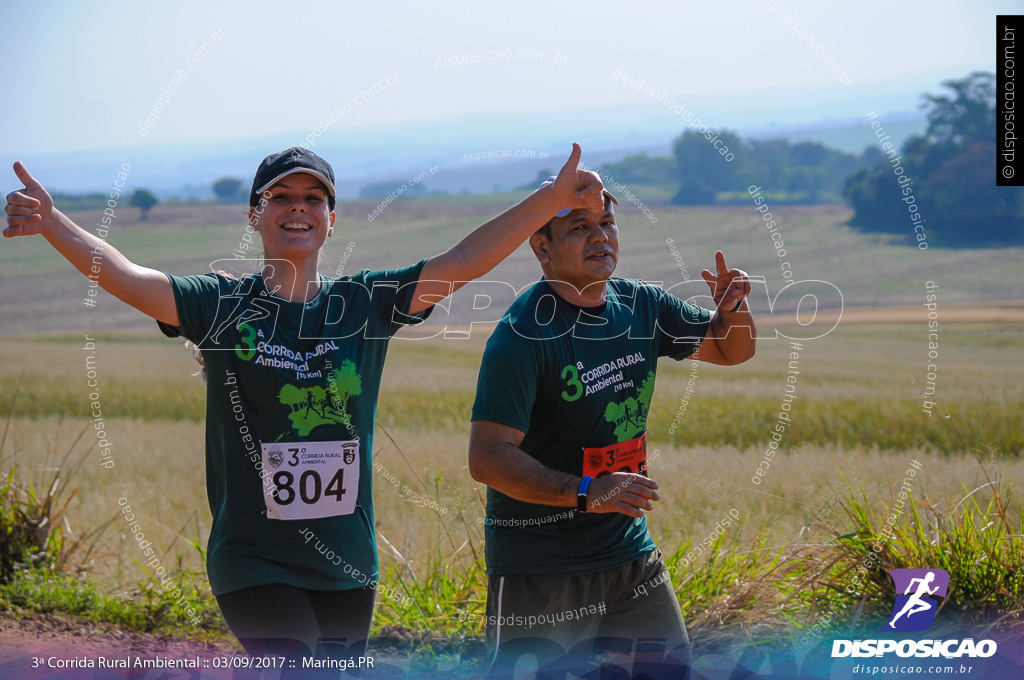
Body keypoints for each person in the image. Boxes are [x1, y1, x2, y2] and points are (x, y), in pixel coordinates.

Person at [3, 145, 605, 674]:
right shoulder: (221, 305)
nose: (298, 207)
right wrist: (55, 224)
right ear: (254, 216)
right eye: (281, 196)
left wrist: (549, 198)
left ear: (332, 218)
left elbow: (463, 261)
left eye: (314, 198)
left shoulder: (364, 305)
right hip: (254, 559)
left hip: (347, 559)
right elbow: (130, 278)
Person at [468, 178, 757, 679]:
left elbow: (731, 349)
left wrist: (732, 309)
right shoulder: (522, 335)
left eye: (606, 223)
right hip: (541, 568)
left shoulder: (642, 305)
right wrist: (587, 492)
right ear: (542, 247)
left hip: (629, 555)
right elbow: (488, 458)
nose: (600, 236)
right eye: (579, 228)